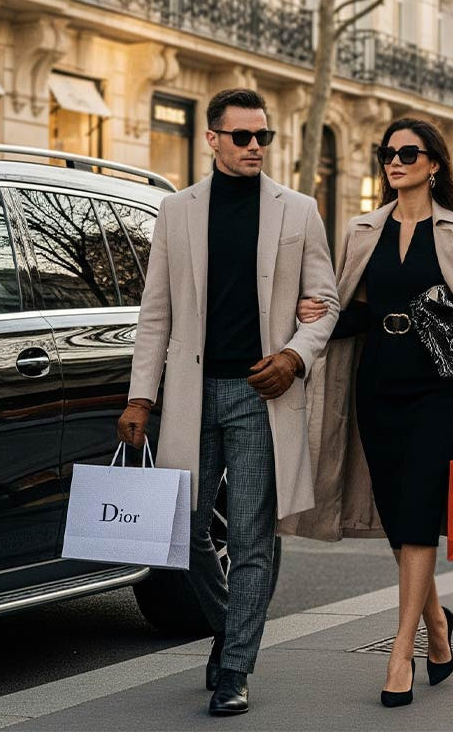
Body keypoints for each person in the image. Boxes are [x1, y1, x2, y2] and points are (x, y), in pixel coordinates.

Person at [117, 88, 339, 715]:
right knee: (179, 531)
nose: (254, 148)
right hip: (189, 396)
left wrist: (295, 356)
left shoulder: (298, 212)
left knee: (250, 538)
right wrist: (141, 397)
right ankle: (230, 626)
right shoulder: (177, 211)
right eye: (241, 137)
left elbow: (325, 302)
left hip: (259, 395)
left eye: (262, 137)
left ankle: (235, 666)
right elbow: (154, 313)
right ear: (211, 138)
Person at [291, 117, 453, 707]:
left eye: (409, 153)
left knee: (415, 512)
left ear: (434, 163)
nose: (396, 161)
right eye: (388, 153)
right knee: (396, 516)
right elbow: (356, 307)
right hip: (378, 383)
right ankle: (439, 626)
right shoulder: (364, 229)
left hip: (440, 387)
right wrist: (317, 313)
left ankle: (400, 650)